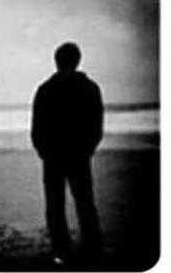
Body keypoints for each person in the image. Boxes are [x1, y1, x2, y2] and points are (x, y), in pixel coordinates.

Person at [31, 42, 104, 265]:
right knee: (84, 202)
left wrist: (43, 151)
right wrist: (89, 148)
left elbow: (37, 126)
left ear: (57, 61)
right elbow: (96, 124)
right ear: (77, 60)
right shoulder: (90, 88)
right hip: (78, 154)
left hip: (53, 155)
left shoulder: (45, 88)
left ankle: (61, 251)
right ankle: (92, 247)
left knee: (55, 205)